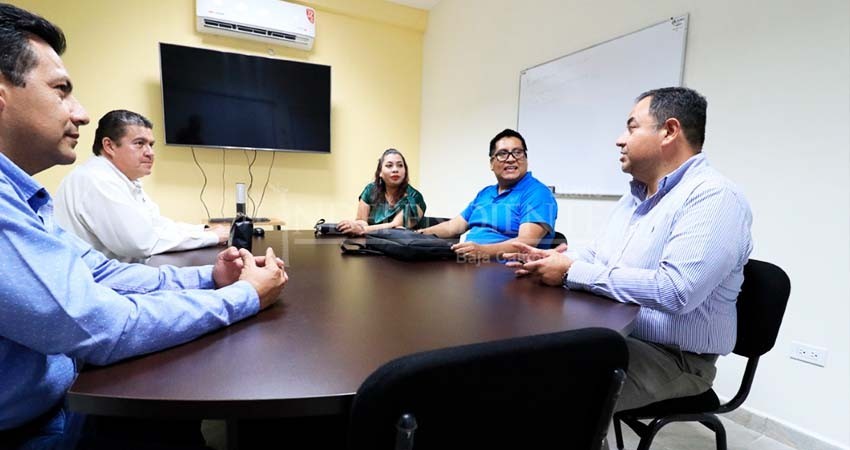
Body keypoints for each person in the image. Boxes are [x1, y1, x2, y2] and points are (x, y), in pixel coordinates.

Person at [0, 4, 287, 448]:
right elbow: (104, 324)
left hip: (60, 394)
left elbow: (100, 271)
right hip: (32, 428)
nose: (80, 113)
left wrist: (209, 277)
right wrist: (242, 296)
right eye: (61, 91)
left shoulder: (23, 195)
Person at [506, 87, 753, 412]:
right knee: (520, 358)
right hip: (618, 334)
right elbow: (598, 256)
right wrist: (559, 258)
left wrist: (570, 271)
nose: (620, 139)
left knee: (548, 391)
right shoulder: (636, 197)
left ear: (669, 131)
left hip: (675, 357)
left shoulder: (714, 198)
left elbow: (676, 291)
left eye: (632, 127)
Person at [54, 109, 229, 262]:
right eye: (139, 143)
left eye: (151, 145)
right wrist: (211, 237)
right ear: (109, 146)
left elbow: (156, 225)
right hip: (98, 287)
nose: (150, 153)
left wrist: (203, 230)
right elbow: (141, 244)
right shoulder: (97, 179)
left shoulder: (122, 179)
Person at [418, 128, 557, 260]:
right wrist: (418, 234)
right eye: (502, 154)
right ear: (492, 163)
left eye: (517, 152)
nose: (511, 159)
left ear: (526, 159)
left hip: (508, 274)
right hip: (468, 266)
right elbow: (452, 227)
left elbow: (526, 243)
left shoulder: (538, 193)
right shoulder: (485, 193)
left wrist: (483, 251)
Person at [337, 148, 426, 235]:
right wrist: (351, 225)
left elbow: (394, 227)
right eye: (389, 165)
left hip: (403, 246)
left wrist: (362, 229)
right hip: (371, 245)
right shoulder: (370, 190)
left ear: (405, 171)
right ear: (380, 172)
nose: (395, 169)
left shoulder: (414, 197)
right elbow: (362, 221)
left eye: (400, 165)